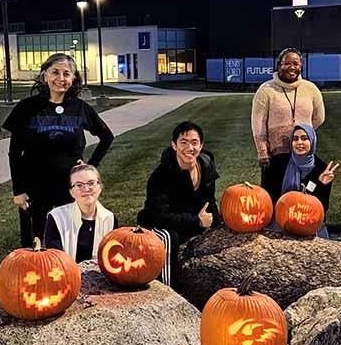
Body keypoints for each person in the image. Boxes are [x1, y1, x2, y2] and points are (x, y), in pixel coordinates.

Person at [3, 53, 114, 248]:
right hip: (35, 186)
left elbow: (106, 137)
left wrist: (91, 165)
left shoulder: (80, 108)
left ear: (73, 79)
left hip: (69, 187)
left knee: (67, 237)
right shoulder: (27, 108)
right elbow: (15, 153)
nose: (61, 79)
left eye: (67, 74)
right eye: (55, 72)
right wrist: (19, 190)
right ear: (45, 75)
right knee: (34, 243)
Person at [137, 121, 220, 288]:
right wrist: (196, 221)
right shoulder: (161, 176)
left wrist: (216, 221)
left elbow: (209, 199)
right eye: (184, 142)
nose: (190, 148)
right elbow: (159, 215)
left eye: (194, 142)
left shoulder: (206, 164)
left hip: (189, 219)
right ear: (174, 145)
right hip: (159, 223)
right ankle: (168, 289)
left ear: (201, 145)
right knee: (169, 238)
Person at [251, 47, 325, 178]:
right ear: (279, 65)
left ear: (301, 66)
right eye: (287, 63)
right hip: (275, 155)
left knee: (304, 194)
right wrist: (262, 150)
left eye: (296, 64)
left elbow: (319, 117)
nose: (292, 67)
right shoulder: (266, 90)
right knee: (274, 195)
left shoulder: (311, 89)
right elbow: (258, 124)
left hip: (303, 154)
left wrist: (302, 134)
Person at [262, 124, 339, 238]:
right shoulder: (278, 163)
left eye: (304, 138)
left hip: (307, 219)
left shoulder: (322, 169)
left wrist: (321, 184)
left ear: (312, 141)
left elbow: (322, 207)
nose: (299, 143)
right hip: (280, 217)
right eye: (295, 139)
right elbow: (267, 197)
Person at [44, 164, 118, 262]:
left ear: (100, 187)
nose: (86, 189)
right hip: (66, 274)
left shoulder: (110, 219)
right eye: (79, 185)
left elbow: (114, 257)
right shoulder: (56, 218)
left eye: (91, 183)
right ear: (71, 192)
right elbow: (55, 260)